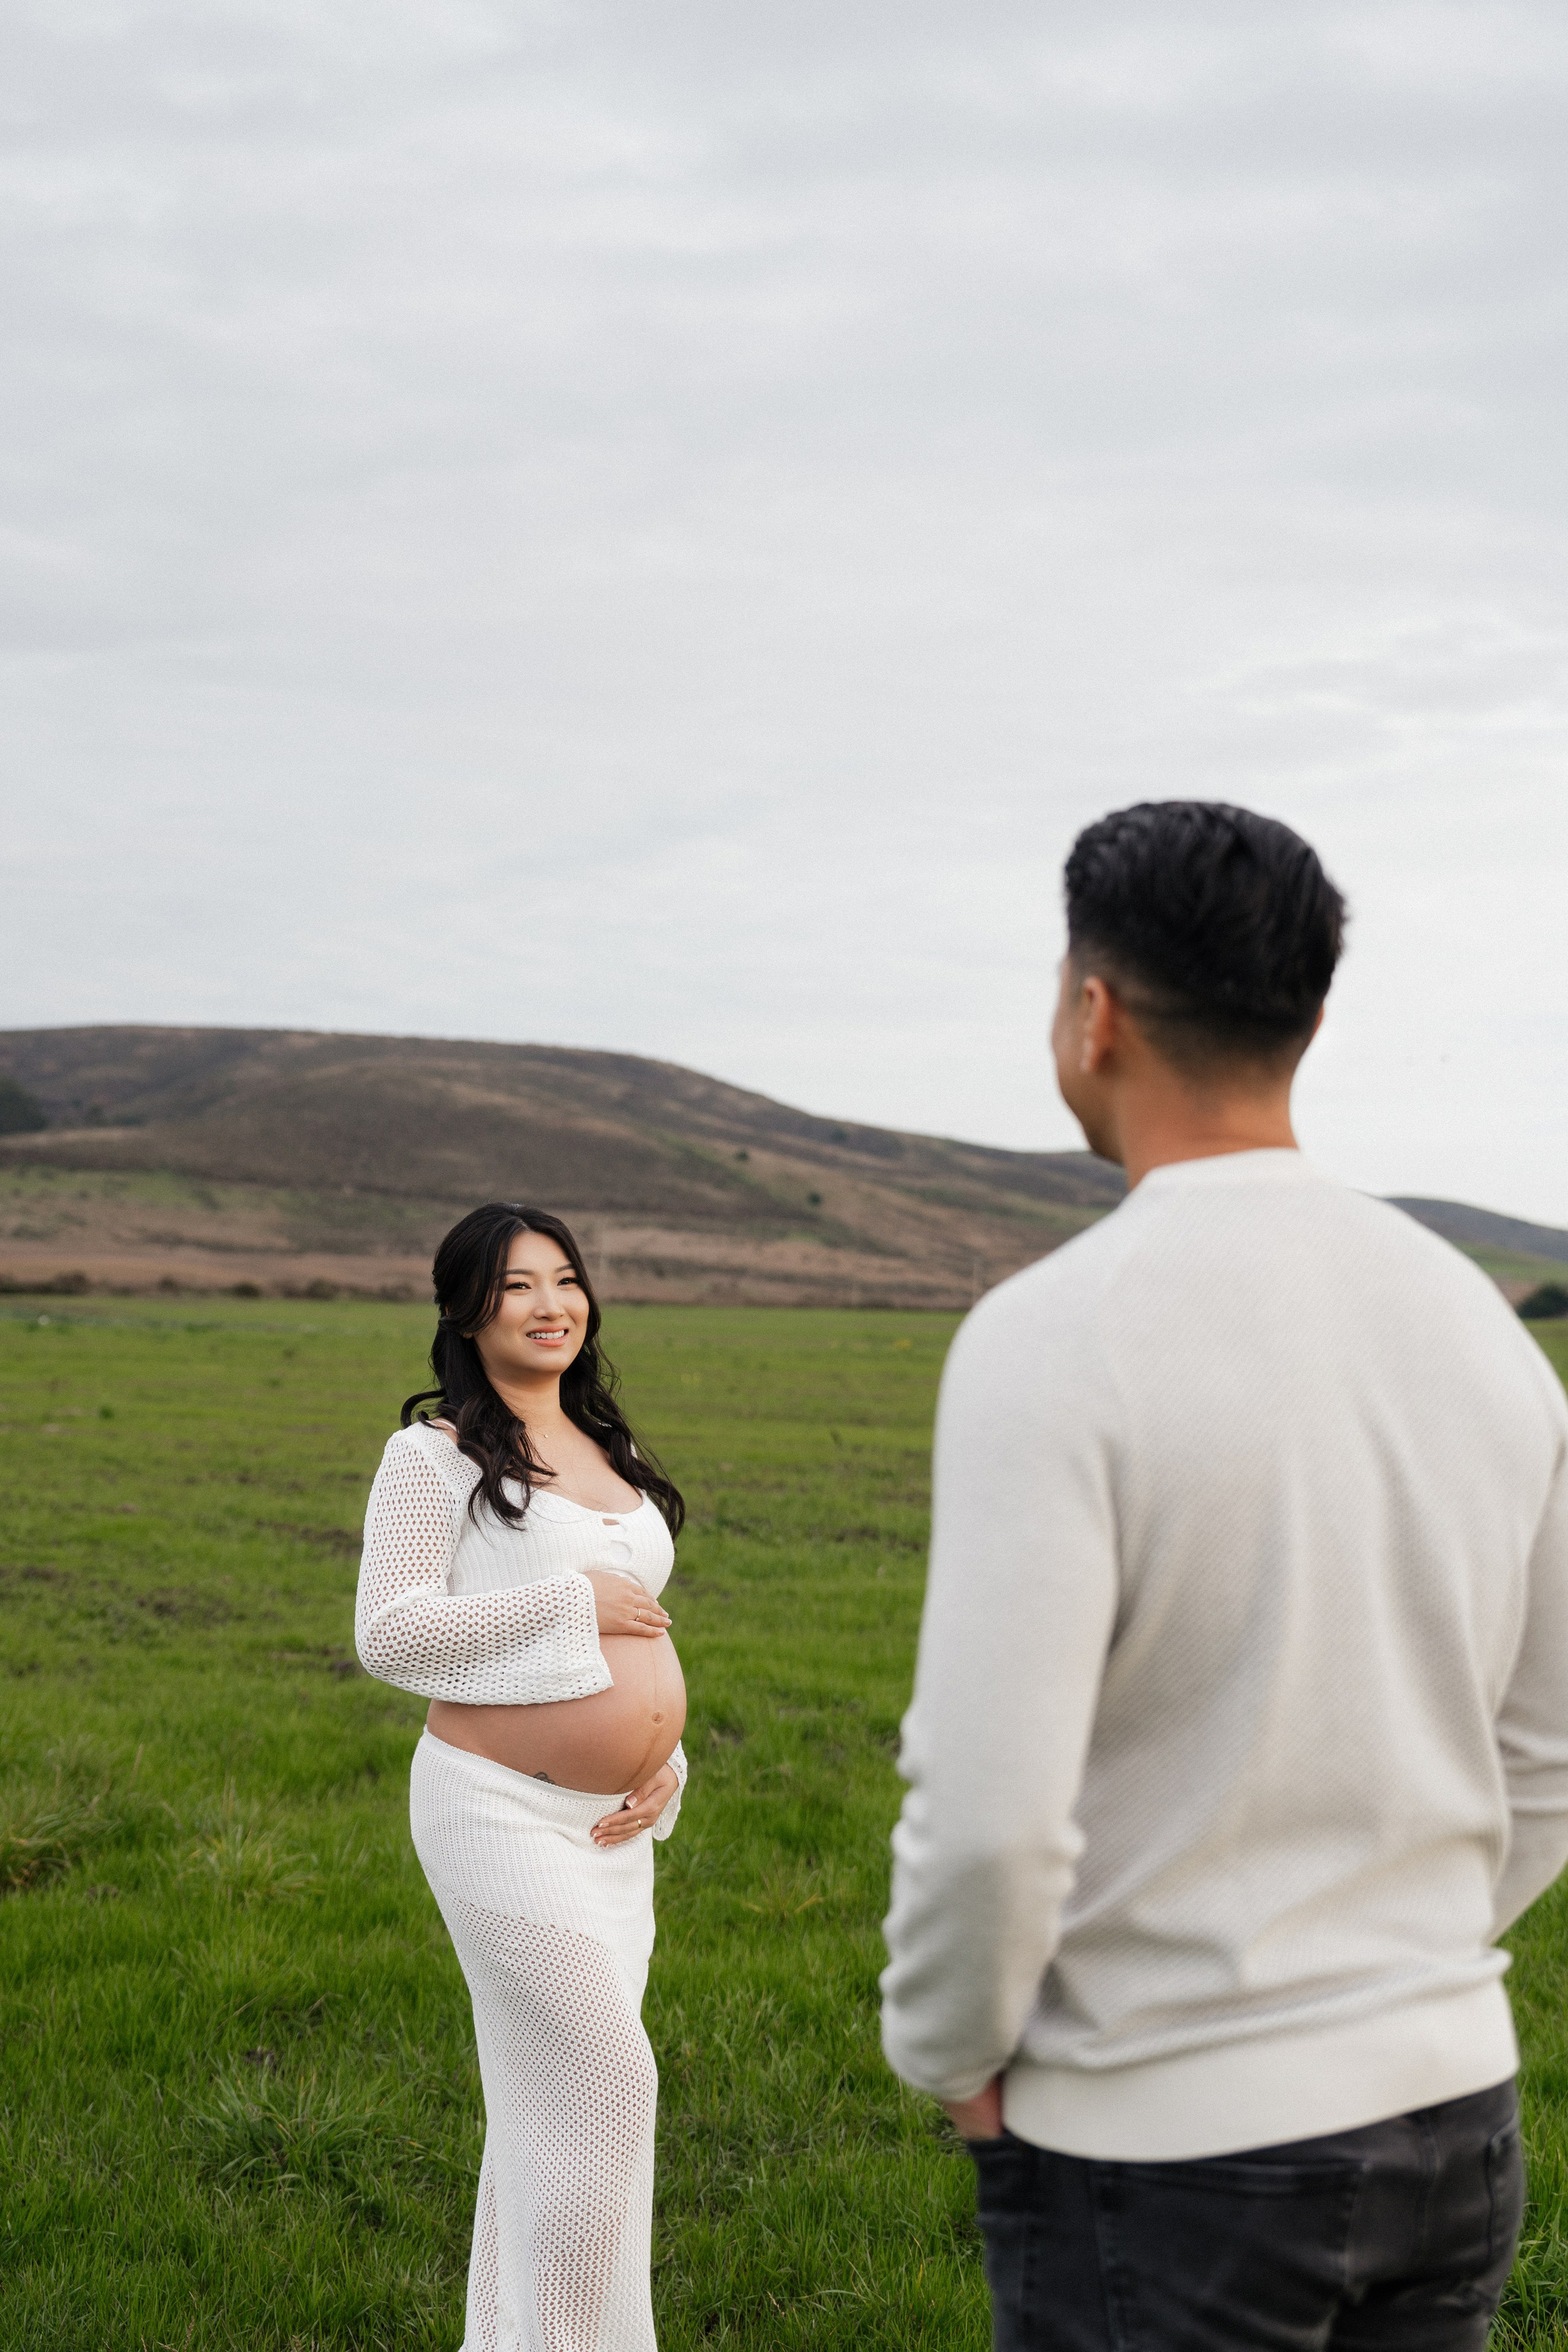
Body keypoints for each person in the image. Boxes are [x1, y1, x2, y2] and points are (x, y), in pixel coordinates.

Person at [881, 801, 1568, 2350]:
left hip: (1167, 2149)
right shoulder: (1479, 1328)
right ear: (1308, 1019)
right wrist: (1392, 1971)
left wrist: (949, 2055)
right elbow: (1547, 1753)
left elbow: (991, 1816)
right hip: (1453, 2111)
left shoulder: (1053, 1337)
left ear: (1092, 1011)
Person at [355, 1203, 688, 2352]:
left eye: (566, 1281)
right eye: (516, 1289)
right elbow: (390, 1635)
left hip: (612, 1837)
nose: (551, 1306)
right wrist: (566, 1603)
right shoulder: (432, 1456)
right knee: (605, 2088)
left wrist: (663, 1755)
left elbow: (643, 1628)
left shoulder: (608, 1448)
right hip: (497, 1812)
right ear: (465, 1313)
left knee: (545, 2111)